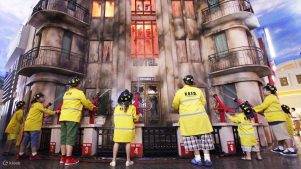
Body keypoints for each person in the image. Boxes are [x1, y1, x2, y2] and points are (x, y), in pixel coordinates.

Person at [172, 75, 214, 167]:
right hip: (201, 119)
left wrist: (179, 109)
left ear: (184, 82)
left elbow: (175, 105)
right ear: (192, 82)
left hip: (188, 121)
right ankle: (207, 159)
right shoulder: (198, 91)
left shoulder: (180, 92)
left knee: (193, 140)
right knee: (205, 139)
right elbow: (203, 102)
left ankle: (198, 159)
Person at [59, 77, 96, 166]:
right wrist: (92, 107)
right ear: (78, 84)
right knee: (70, 137)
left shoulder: (66, 93)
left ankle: (63, 158)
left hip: (63, 117)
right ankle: (68, 159)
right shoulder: (79, 93)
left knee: (63, 137)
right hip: (72, 117)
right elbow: (86, 103)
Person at [254, 83, 297, 156]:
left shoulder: (270, 97)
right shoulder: (273, 97)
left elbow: (263, 106)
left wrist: (254, 109)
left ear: (269, 91)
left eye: (264, 90)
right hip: (275, 119)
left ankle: (290, 149)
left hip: (277, 118)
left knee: (284, 135)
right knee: (279, 135)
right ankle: (280, 148)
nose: (263, 92)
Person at [16, 93, 58, 160]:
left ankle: (20, 154)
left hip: (28, 125)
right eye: (43, 97)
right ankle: (34, 155)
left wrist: (47, 107)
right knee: (34, 140)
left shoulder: (33, 105)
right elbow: (45, 110)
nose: (44, 99)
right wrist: (55, 112)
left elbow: (40, 112)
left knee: (25, 140)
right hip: (34, 126)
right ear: (39, 98)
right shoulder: (38, 104)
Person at [110, 89, 139, 167]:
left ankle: (113, 161)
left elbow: (115, 118)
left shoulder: (116, 107)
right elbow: (135, 118)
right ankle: (128, 161)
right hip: (128, 130)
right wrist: (139, 116)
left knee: (116, 143)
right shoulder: (132, 107)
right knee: (127, 144)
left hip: (118, 130)